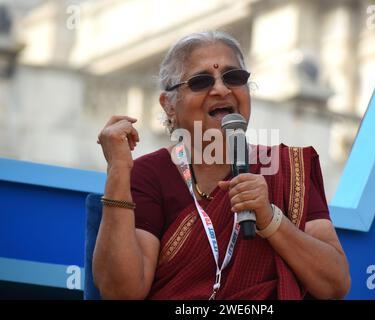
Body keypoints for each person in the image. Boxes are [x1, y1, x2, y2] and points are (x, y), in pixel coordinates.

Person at [93, 31, 351, 300]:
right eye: (201, 81)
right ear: (169, 105)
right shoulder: (151, 174)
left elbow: (335, 284)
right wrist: (118, 172)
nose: (221, 89)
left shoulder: (285, 168)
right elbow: (120, 292)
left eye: (234, 77)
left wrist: (271, 219)